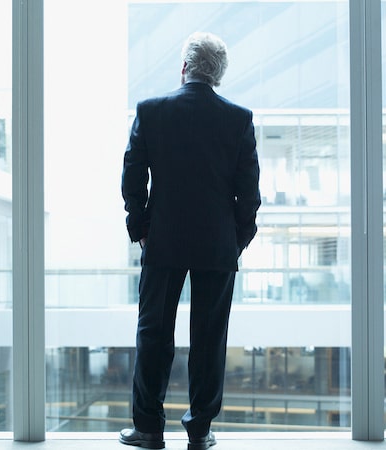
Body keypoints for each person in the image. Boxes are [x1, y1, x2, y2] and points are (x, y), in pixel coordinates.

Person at [120, 31, 261, 450]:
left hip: (162, 240)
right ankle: (199, 431)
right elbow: (248, 192)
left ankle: (148, 429)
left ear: (184, 67)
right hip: (217, 245)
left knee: (154, 334)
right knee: (209, 338)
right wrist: (237, 239)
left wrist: (140, 227)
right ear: (218, 75)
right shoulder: (238, 119)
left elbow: (132, 175)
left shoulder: (152, 111)